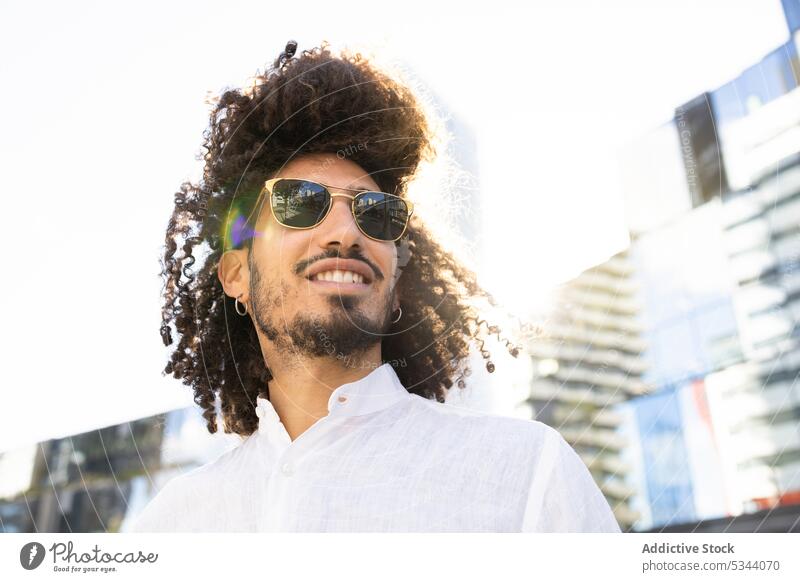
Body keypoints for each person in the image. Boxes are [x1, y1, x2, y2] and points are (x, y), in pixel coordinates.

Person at [128, 40, 621, 533]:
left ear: (396, 276)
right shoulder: (171, 526)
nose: (347, 231)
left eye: (376, 214)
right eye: (300, 203)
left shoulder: (528, 474)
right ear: (236, 275)